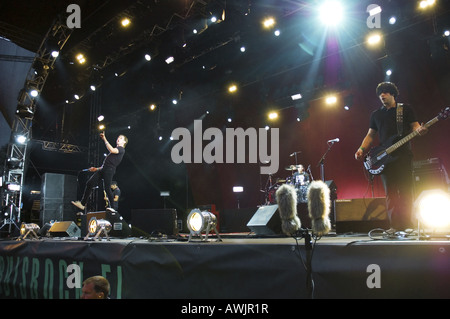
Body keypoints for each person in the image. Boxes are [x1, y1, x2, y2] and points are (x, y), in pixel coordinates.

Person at [355, 82, 427, 233]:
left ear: (393, 94)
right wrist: (361, 149)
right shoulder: (376, 114)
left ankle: (409, 225)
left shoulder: (405, 109)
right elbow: (370, 135)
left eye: (386, 92)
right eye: (380, 93)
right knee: (391, 193)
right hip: (385, 158)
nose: (382, 95)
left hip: (403, 157)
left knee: (406, 191)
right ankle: (394, 226)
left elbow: (414, 126)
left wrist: (419, 129)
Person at [72, 132, 128, 212]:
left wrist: (104, 138)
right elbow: (104, 166)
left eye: (121, 138)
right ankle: (82, 204)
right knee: (90, 183)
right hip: (103, 169)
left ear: (124, 142)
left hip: (109, 170)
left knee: (107, 188)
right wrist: (96, 169)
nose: (118, 138)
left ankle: (113, 208)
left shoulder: (121, 149)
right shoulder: (116, 151)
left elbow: (112, 150)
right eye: (118, 137)